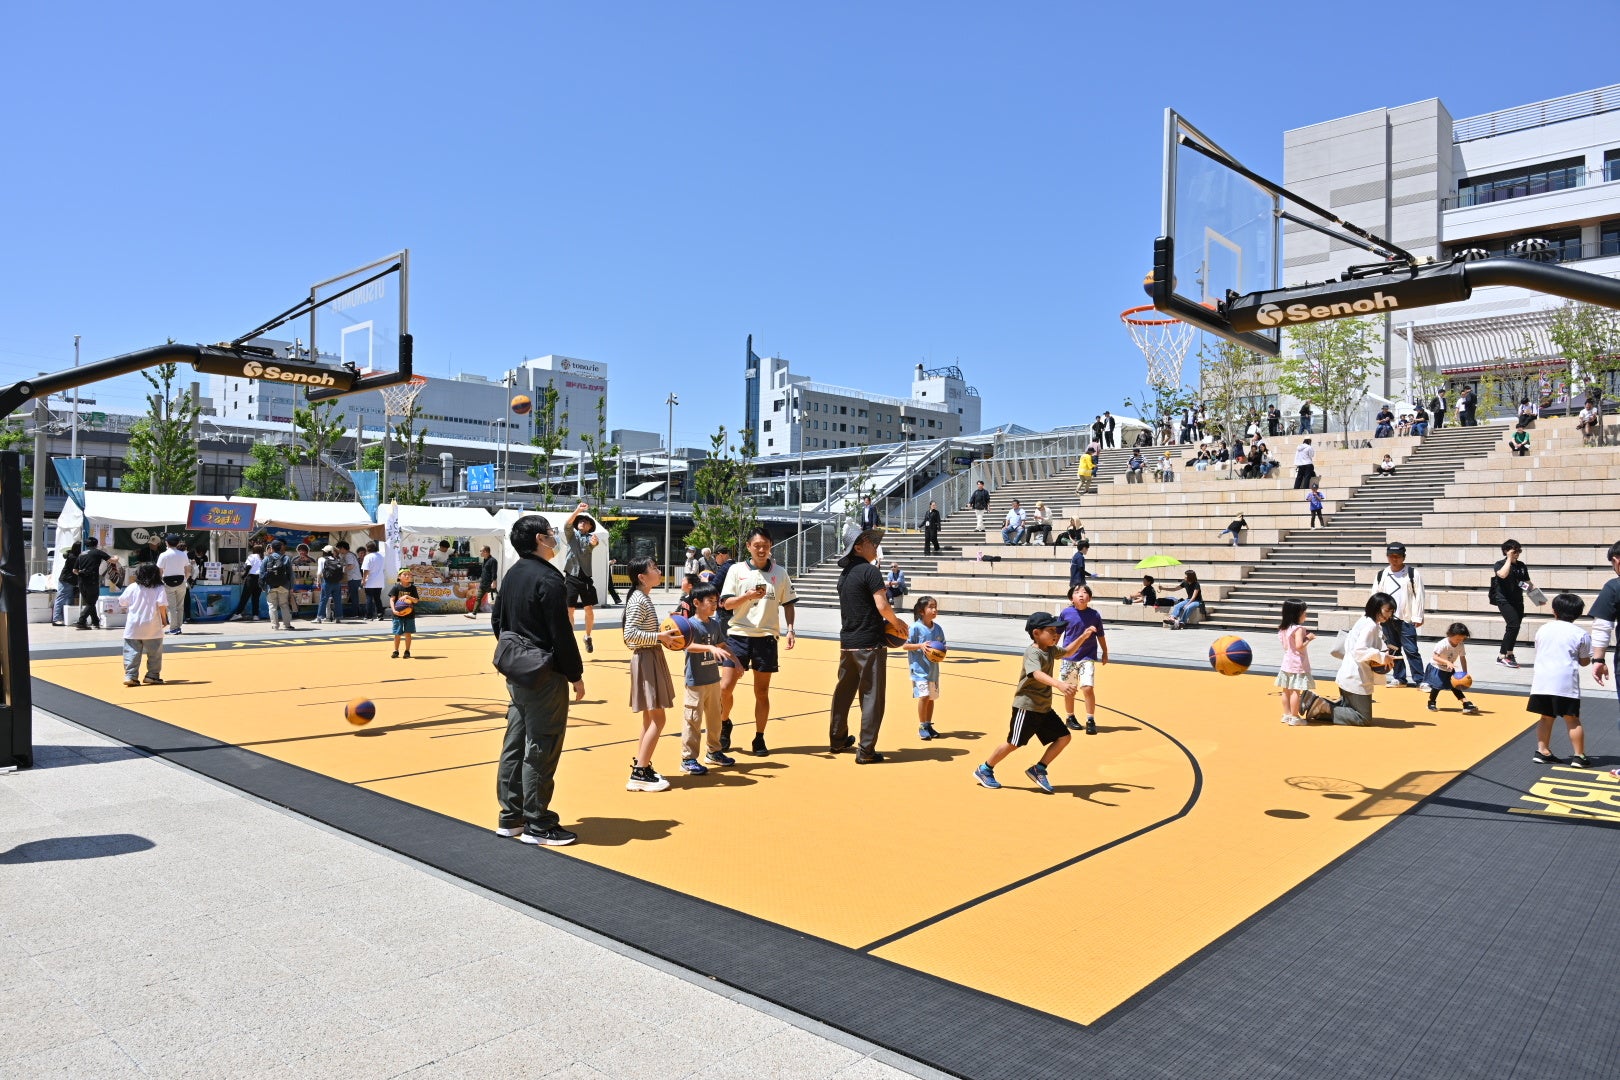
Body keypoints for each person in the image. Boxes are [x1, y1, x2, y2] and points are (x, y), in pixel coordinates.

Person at [494, 513, 586, 847]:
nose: (554, 538)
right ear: (539, 540)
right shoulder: (548, 579)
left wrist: (514, 653)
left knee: (515, 742)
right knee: (542, 744)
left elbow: (497, 620)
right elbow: (561, 634)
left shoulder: (513, 574)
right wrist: (575, 675)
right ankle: (538, 821)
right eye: (550, 533)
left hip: (517, 671)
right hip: (545, 673)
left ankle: (511, 815)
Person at [972, 611, 1091, 794]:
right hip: (1026, 707)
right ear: (1037, 633)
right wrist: (1059, 684)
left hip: (1043, 707)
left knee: (1064, 737)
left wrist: (1083, 636)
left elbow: (1068, 651)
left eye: (1057, 631)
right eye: (1051, 630)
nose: (1056, 634)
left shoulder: (1050, 650)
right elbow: (1036, 673)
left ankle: (1039, 769)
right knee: (1014, 742)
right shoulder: (1032, 653)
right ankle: (985, 769)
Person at [828, 529, 908, 764]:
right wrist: (898, 623)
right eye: (870, 542)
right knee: (872, 696)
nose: (875, 545)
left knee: (843, 692)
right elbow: (882, 606)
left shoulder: (844, 575)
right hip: (870, 644)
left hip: (848, 643)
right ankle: (866, 750)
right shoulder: (870, 572)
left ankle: (837, 739)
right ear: (858, 547)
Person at [718, 526, 798, 757]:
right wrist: (747, 596)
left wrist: (791, 629)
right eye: (757, 546)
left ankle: (759, 737)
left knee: (761, 692)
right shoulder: (736, 570)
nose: (761, 549)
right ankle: (725, 724)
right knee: (725, 688)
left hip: (766, 637)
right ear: (748, 547)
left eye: (765, 545)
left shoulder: (780, 573)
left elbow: (789, 603)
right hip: (738, 635)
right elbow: (726, 604)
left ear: (770, 546)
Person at [620, 556, 680, 792]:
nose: (658, 570)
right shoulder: (638, 600)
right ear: (642, 577)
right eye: (653, 568)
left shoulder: (642, 597)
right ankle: (640, 772)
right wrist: (660, 637)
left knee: (649, 718)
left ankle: (641, 765)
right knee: (658, 718)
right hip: (646, 657)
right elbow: (630, 636)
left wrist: (664, 631)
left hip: (650, 657)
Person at [1307, 593, 1397, 726]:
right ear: (1376, 607)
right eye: (1387, 610)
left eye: (1391, 611)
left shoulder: (1365, 620)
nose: (1389, 614)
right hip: (1356, 677)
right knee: (1362, 718)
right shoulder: (1371, 626)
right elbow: (1360, 651)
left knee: (1353, 710)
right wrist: (1383, 657)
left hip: (1350, 674)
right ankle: (1323, 706)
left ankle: (1321, 706)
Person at [1528, 593, 1593, 768]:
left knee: (1545, 717)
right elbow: (1585, 660)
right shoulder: (1581, 633)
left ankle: (1542, 751)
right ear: (1578, 613)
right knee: (1571, 719)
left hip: (1542, 681)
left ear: (1554, 611)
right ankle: (1579, 756)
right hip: (1565, 682)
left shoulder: (1543, 629)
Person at [678, 583, 735, 775]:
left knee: (715, 719)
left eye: (715, 601)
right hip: (696, 682)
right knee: (693, 720)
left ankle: (714, 751)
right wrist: (710, 648)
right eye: (709, 601)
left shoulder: (715, 624)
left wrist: (737, 662)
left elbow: (722, 645)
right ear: (696, 602)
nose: (714, 605)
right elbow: (688, 645)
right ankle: (688, 758)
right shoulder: (689, 625)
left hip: (713, 680)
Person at [1374, 542, 1425, 688]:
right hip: (1386, 619)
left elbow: (1419, 595)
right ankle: (1399, 678)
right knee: (1393, 649)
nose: (1394, 559)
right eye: (1391, 556)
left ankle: (1420, 680)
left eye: (1397, 556)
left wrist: (1418, 616)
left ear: (1404, 557)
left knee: (1412, 650)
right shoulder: (1381, 574)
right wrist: (1376, 616)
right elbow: (1375, 595)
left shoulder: (1412, 573)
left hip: (1406, 618)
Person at [1057, 583, 1107, 734]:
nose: (1081, 594)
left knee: (1087, 687)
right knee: (1069, 690)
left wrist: (1105, 651)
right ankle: (1070, 717)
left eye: (1085, 592)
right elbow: (1058, 633)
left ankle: (1090, 719)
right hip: (1068, 657)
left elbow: (1101, 635)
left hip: (1087, 656)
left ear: (1089, 598)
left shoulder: (1094, 615)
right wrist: (1051, 650)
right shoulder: (1066, 613)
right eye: (1077, 592)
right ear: (1071, 598)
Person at [117, 563, 169, 687]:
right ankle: (152, 675)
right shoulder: (159, 588)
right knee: (154, 653)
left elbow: (122, 602)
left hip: (133, 625)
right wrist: (164, 620)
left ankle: (131, 676)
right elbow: (162, 605)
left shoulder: (132, 587)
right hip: (152, 624)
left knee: (131, 651)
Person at [904, 595, 945, 741]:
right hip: (919, 670)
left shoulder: (938, 628)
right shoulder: (915, 628)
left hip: (933, 670)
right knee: (924, 696)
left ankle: (928, 724)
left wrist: (941, 651)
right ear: (922, 611)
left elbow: (942, 645)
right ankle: (921, 726)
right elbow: (905, 645)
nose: (934, 610)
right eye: (931, 607)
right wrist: (920, 646)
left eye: (936, 607)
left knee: (931, 698)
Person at [1490, 539, 1536, 669]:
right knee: (1513, 625)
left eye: (1519, 551)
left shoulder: (1521, 566)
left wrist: (1537, 597)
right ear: (1506, 551)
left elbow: (1527, 583)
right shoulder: (1499, 564)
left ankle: (1509, 653)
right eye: (1515, 551)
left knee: (1515, 627)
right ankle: (1501, 656)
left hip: (1517, 600)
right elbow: (1502, 575)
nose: (1517, 553)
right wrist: (1509, 559)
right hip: (1504, 600)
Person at [562, 503, 602, 652]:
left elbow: (587, 550)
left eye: (585, 522)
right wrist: (578, 510)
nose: (581, 522)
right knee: (569, 609)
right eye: (580, 521)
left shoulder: (591, 538)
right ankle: (570, 639)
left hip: (585, 577)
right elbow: (567, 524)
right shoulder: (571, 534)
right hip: (571, 575)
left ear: (590, 527)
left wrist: (594, 544)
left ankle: (587, 636)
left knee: (589, 609)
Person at [1425, 622, 1480, 714]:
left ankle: (1466, 703)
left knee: (1455, 686)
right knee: (1437, 686)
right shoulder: (1442, 644)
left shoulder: (1461, 645)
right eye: (1457, 639)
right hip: (1437, 667)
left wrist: (1465, 673)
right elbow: (1435, 657)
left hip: (1449, 668)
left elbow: (1462, 658)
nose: (1459, 641)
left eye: (1462, 639)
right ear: (1450, 635)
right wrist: (1446, 662)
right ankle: (1431, 702)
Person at [1276, 599, 1315, 727]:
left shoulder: (1283, 628)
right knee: (1295, 692)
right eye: (1304, 612)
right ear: (1297, 614)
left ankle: (1286, 714)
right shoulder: (1299, 628)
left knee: (1286, 690)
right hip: (1297, 663)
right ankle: (1294, 716)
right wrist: (1308, 638)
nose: (1306, 615)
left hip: (1287, 662)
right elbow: (1299, 646)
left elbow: (1287, 645)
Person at [72, 536, 113, 631]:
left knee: (90, 603)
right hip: (92, 580)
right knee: (91, 602)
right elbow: (112, 560)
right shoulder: (97, 552)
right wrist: (116, 557)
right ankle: (81, 622)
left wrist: (82, 573)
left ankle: (95, 622)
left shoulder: (81, 554)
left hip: (81, 581)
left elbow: (74, 570)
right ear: (96, 544)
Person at [157, 533, 190, 635]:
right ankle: (178, 627)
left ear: (166, 543)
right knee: (180, 606)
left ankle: (173, 628)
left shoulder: (163, 555)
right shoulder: (183, 554)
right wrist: (185, 579)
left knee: (171, 607)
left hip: (168, 582)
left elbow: (160, 570)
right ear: (177, 543)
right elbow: (188, 570)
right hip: (181, 582)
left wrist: (160, 581)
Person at [262, 539, 296, 630]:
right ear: (281, 548)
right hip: (284, 585)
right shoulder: (286, 558)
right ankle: (287, 625)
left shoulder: (266, 558)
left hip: (270, 586)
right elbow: (291, 575)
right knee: (284, 604)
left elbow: (261, 573)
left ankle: (275, 625)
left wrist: (262, 586)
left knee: (272, 606)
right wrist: (291, 587)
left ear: (271, 548)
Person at [388, 569, 419, 658]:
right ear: (399, 577)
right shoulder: (396, 587)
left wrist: (407, 596)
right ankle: (396, 650)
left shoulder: (413, 588)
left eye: (409, 575)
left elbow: (416, 600)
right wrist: (393, 610)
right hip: (398, 614)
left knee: (408, 633)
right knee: (397, 633)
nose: (407, 576)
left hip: (409, 614)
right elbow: (392, 600)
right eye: (405, 574)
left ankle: (407, 651)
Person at [230, 544, 263, 621]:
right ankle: (255, 615)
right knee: (256, 598)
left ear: (254, 550)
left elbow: (248, 566)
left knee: (244, 597)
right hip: (260, 579)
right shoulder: (263, 557)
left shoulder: (251, 556)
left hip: (251, 578)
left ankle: (238, 614)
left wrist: (244, 575)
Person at [465, 544, 499, 619]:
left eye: (481, 551)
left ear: (486, 552)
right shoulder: (485, 560)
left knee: (496, 599)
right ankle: (474, 613)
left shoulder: (493, 561)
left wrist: (494, 581)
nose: (480, 552)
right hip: (483, 583)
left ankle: (502, 612)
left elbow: (494, 572)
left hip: (489, 583)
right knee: (478, 598)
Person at [316, 544, 346, 624]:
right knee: (337, 600)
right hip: (337, 583)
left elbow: (319, 572)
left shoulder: (321, 559)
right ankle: (338, 618)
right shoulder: (336, 559)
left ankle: (319, 617)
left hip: (327, 582)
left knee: (324, 599)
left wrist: (318, 581)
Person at [53, 541, 80, 625]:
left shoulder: (72, 555)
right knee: (61, 598)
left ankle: (67, 618)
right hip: (66, 580)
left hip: (68, 580)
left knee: (69, 599)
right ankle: (56, 618)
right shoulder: (73, 557)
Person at [361, 541, 386, 620]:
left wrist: (364, 579)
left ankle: (368, 615)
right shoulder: (381, 556)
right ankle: (380, 614)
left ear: (368, 548)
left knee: (369, 598)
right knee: (377, 598)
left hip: (370, 580)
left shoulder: (368, 557)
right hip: (379, 580)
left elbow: (366, 570)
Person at [339, 540, 362, 617]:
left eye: (339, 548)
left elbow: (351, 566)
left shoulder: (348, 555)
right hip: (355, 578)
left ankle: (355, 614)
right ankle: (357, 613)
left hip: (353, 578)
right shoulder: (350, 554)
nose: (339, 550)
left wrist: (342, 570)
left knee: (354, 597)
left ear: (343, 548)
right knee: (355, 596)